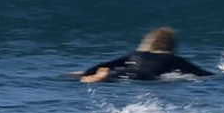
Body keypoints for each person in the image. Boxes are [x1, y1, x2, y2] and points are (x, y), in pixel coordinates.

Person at [70, 27, 213, 83]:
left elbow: (107, 64)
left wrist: (87, 71)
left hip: (123, 71)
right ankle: (101, 77)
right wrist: (223, 76)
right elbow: (201, 73)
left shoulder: (136, 55)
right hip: (145, 77)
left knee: (112, 74)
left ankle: (98, 76)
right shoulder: (176, 60)